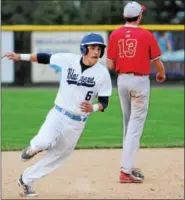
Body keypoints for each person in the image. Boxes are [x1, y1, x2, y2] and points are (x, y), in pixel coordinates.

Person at [3, 33, 112, 197]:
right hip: (59, 114)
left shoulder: (102, 74)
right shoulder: (69, 60)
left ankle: (26, 180)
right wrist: (20, 56)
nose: (96, 51)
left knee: (59, 157)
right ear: (84, 48)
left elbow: (105, 101)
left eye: (99, 48)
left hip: (77, 124)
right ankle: (33, 148)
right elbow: (45, 58)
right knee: (43, 142)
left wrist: (94, 107)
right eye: (92, 48)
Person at [107, 1, 166, 183]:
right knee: (135, 126)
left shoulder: (115, 34)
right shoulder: (146, 35)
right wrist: (161, 74)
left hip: (122, 80)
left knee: (128, 123)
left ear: (125, 16)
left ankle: (129, 165)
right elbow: (157, 61)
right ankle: (126, 171)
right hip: (139, 82)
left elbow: (110, 64)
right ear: (139, 16)